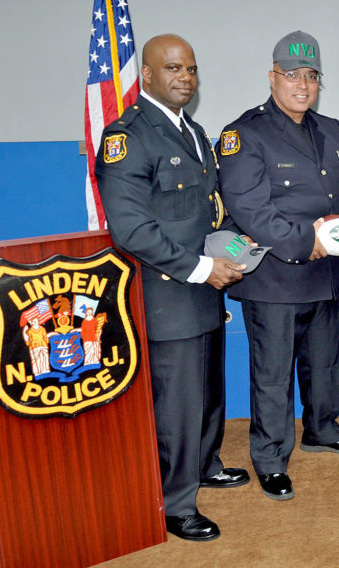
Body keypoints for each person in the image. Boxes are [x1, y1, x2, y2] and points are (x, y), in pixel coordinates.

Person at [95, 34, 249, 542]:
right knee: (177, 406)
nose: (185, 78)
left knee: (207, 395)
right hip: (167, 295)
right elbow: (132, 230)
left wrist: (231, 250)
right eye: (174, 68)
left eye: (192, 69)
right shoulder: (128, 136)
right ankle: (176, 504)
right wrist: (204, 268)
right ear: (148, 74)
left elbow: (207, 210)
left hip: (205, 290)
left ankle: (205, 464)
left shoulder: (195, 132)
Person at [216, 31, 339, 502]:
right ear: (272, 77)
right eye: (291, 75)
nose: (302, 84)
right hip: (276, 279)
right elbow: (251, 211)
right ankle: (270, 456)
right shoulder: (244, 133)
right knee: (273, 374)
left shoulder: (332, 129)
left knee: (324, 364)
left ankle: (322, 428)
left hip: (327, 278)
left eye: (310, 76)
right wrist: (311, 244)